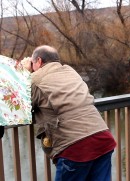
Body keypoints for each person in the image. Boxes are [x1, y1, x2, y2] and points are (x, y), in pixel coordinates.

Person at [21, 45, 116, 181]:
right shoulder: (70, 71)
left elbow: (16, 108)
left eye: (32, 62)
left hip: (76, 147)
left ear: (39, 61)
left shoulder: (35, 79)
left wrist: (23, 73)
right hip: (103, 138)